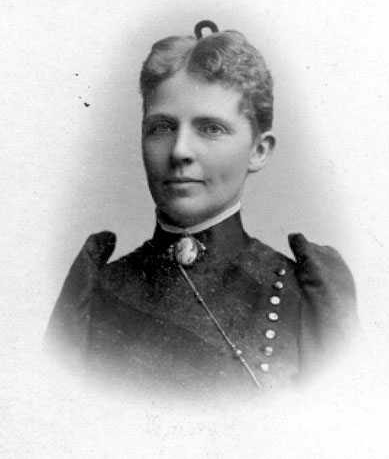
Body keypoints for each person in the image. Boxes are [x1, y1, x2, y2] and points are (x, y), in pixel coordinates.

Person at [45, 20, 359, 398]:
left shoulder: (306, 298)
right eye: (161, 127)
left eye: (211, 128)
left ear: (259, 150)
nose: (179, 151)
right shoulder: (95, 297)